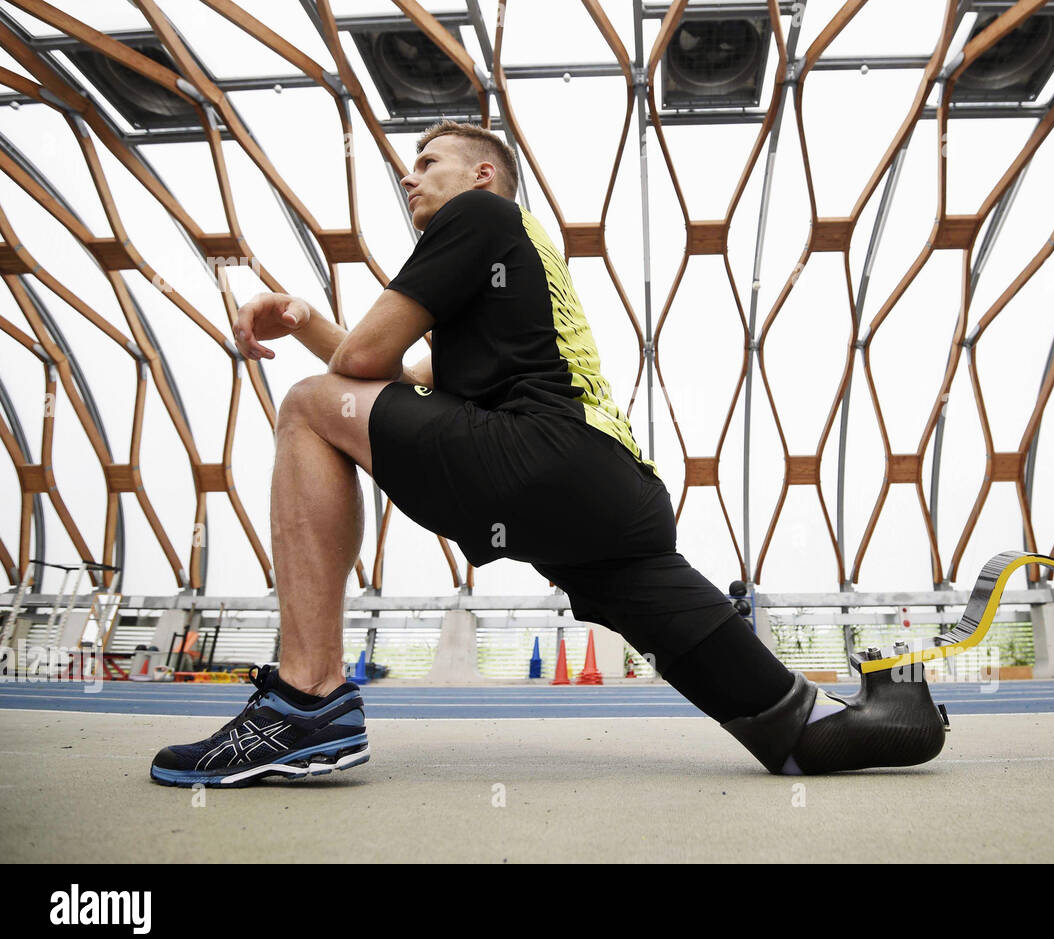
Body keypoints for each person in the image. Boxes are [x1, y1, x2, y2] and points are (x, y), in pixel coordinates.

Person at [149, 121, 945, 787]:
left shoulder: (482, 217)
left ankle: (305, 701)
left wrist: (308, 322)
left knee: (305, 407)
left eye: (426, 162)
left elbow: (357, 373)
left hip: (543, 454)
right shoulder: (514, 273)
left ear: (483, 174)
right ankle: (880, 717)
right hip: (612, 498)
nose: (410, 179)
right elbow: (398, 383)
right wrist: (307, 318)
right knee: (786, 729)